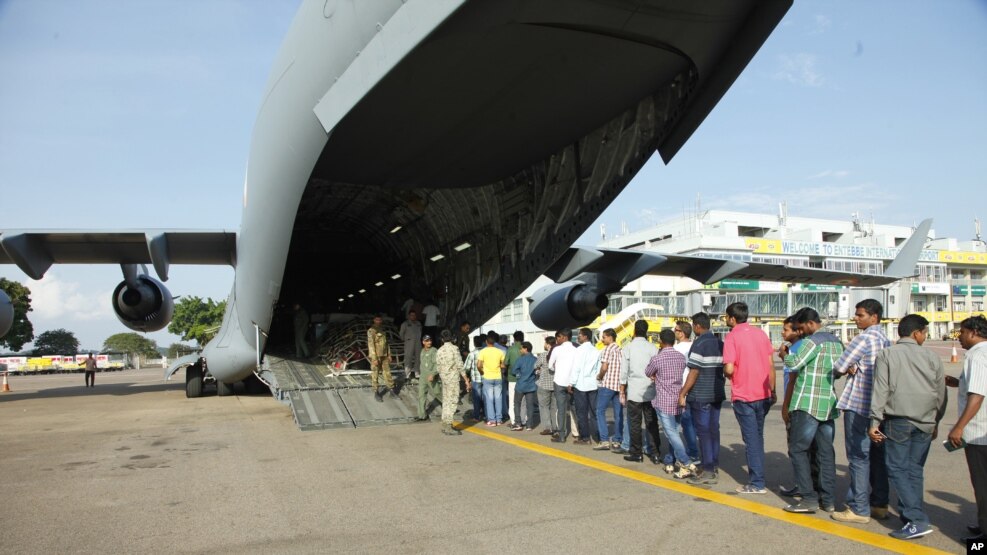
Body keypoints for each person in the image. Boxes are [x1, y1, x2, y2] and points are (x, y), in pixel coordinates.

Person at [869, 314, 946, 540]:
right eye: (925, 333)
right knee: (914, 471)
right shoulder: (932, 356)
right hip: (925, 421)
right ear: (916, 333)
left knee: (897, 469)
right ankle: (911, 516)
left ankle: (916, 519)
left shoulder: (887, 355)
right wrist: (936, 420)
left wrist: (874, 421)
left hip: (898, 420)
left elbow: (880, 389)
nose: (925, 337)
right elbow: (940, 393)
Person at [831, 299, 891, 524]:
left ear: (873, 317)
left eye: (860, 315)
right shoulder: (886, 339)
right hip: (879, 407)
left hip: (859, 404)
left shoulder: (863, 338)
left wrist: (851, 367)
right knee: (877, 456)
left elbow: (839, 366)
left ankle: (858, 508)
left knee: (858, 456)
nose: (856, 318)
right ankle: (879, 504)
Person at [782, 307, 840, 514]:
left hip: (806, 402)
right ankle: (828, 499)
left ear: (809, 323)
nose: (800, 332)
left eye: (800, 327)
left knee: (798, 450)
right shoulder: (836, 342)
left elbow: (794, 364)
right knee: (825, 453)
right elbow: (840, 371)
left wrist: (785, 355)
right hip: (828, 403)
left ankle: (808, 498)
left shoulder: (810, 342)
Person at [722, 301, 775, 495]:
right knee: (758, 438)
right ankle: (758, 477)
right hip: (763, 394)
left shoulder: (731, 337)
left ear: (733, 318)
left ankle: (757, 483)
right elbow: (770, 364)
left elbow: (728, 367)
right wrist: (773, 390)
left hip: (744, 395)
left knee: (751, 440)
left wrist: (730, 372)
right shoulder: (760, 334)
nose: (726, 320)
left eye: (727, 317)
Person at [948, 315, 987, 543]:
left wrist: (958, 427)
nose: (959, 337)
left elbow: (979, 394)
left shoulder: (979, 355)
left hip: (979, 433)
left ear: (973, 332)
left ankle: (983, 541)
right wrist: (958, 382)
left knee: (982, 485)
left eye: (961, 332)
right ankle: (983, 524)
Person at [778, 316, 820, 500]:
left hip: (797, 404)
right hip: (803, 403)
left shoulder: (795, 350)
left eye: (786, 329)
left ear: (797, 331)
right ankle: (805, 485)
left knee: (798, 449)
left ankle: (806, 489)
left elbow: (793, 380)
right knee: (808, 449)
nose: (783, 332)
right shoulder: (802, 347)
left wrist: (785, 406)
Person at [681, 313, 725, 486]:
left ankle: (707, 470)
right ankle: (713, 465)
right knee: (714, 429)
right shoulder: (719, 343)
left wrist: (683, 392)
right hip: (717, 393)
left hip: (700, 395)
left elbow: (694, 371)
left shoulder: (699, 344)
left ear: (697, 326)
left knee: (704, 432)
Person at [646, 329, 694, 478]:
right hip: (678, 398)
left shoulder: (657, 358)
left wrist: (656, 375)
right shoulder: (681, 357)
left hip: (664, 400)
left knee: (671, 433)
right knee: (675, 432)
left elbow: (648, 372)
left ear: (661, 341)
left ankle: (685, 461)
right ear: (674, 341)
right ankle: (670, 461)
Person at [620, 319, 661, 464]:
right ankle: (655, 453)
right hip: (650, 390)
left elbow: (624, 372)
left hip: (635, 391)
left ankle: (636, 453)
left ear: (634, 331)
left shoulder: (628, 348)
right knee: (651, 422)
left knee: (635, 423)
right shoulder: (653, 348)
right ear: (647, 331)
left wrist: (622, 391)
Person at [673, 321, 699, 463]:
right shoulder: (695, 346)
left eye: (675, 330)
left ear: (681, 333)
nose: (674, 332)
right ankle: (695, 449)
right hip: (694, 387)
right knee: (693, 423)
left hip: (681, 387)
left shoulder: (676, 349)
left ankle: (692, 453)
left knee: (685, 423)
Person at [569, 328, 600, 446]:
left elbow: (576, 368)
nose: (578, 337)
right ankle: (598, 437)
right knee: (594, 412)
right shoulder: (596, 350)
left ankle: (585, 437)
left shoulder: (579, 350)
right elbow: (598, 369)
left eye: (580, 335)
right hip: (593, 385)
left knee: (581, 412)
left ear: (585, 336)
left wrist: (571, 383)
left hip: (580, 385)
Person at [436, 329, 470, 435]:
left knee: (446, 401)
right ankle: (449, 426)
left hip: (444, 380)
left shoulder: (439, 350)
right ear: (452, 338)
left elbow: (438, 367)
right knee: (453, 401)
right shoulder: (454, 349)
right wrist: (466, 380)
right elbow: (460, 365)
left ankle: (445, 424)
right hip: (453, 379)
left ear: (442, 339)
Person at [595, 328, 623, 451]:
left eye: (604, 337)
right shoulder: (621, 350)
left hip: (607, 384)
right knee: (618, 414)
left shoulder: (607, 349)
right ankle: (617, 440)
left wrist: (599, 376)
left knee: (600, 411)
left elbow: (604, 366)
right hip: (619, 385)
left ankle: (605, 440)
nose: (602, 339)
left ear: (610, 337)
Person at [549, 329, 577, 443]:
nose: (557, 340)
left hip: (559, 382)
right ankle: (577, 432)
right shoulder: (576, 350)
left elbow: (550, 366)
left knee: (561, 409)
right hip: (572, 383)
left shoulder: (556, 349)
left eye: (558, 337)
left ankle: (561, 435)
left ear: (564, 337)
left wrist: (558, 369)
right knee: (574, 409)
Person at [477, 334, 506, 427]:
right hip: (498, 377)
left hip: (487, 377)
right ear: (494, 342)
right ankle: (499, 419)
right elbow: (504, 365)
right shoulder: (500, 351)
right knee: (498, 398)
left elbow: (478, 365)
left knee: (489, 399)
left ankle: (492, 420)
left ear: (486, 342)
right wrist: (499, 367)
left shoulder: (483, 351)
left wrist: (482, 372)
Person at [367, 314, 397, 402]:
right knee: (375, 373)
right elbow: (371, 345)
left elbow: (386, 343)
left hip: (384, 355)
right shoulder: (371, 331)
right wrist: (374, 358)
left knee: (387, 373)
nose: (378, 321)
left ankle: (391, 390)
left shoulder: (382, 330)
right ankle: (376, 392)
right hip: (376, 356)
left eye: (380, 320)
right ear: (374, 320)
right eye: (377, 320)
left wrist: (389, 354)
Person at [510, 341, 537, 431]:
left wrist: (519, 375)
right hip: (531, 386)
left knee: (517, 403)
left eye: (521, 348)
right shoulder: (535, 359)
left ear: (526, 349)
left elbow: (513, 371)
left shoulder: (520, 359)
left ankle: (518, 423)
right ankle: (529, 425)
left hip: (520, 386)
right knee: (530, 405)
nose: (520, 350)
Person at [536, 336, 558, 437]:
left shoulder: (544, 355)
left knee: (544, 406)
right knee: (555, 408)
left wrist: (539, 369)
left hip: (544, 384)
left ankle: (547, 427)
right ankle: (556, 428)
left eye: (545, 343)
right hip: (556, 384)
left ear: (548, 344)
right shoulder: (559, 354)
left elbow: (535, 366)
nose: (544, 345)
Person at [416, 336, 440, 420]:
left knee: (438, 393)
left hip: (431, 376)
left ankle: (451, 408)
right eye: (427, 341)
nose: (429, 342)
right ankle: (421, 415)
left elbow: (437, 364)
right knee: (421, 395)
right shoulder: (422, 351)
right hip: (423, 376)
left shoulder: (434, 351)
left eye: (430, 340)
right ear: (423, 342)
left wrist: (433, 374)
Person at [463, 336, 486, 421]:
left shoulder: (472, 354)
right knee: (485, 398)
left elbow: (466, 368)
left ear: (474, 343)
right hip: (486, 378)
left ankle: (476, 416)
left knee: (476, 398)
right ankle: (485, 415)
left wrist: (467, 378)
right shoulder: (485, 352)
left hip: (476, 379)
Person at [504, 331, 524, 425]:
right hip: (524, 379)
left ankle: (514, 421)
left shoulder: (510, 349)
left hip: (512, 378)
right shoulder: (526, 348)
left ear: (514, 338)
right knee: (523, 401)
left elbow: (505, 363)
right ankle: (523, 419)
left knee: (512, 401)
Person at [399, 310, 423, 380]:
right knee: (408, 358)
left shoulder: (418, 323)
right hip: (409, 342)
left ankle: (417, 373)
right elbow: (401, 334)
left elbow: (420, 331)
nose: (413, 316)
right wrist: (406, 340)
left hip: (418, 342)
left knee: (418, 358)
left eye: (414, 315)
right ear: (409, 316)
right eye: (412, 315)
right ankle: (407, 374)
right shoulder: (405, 324)